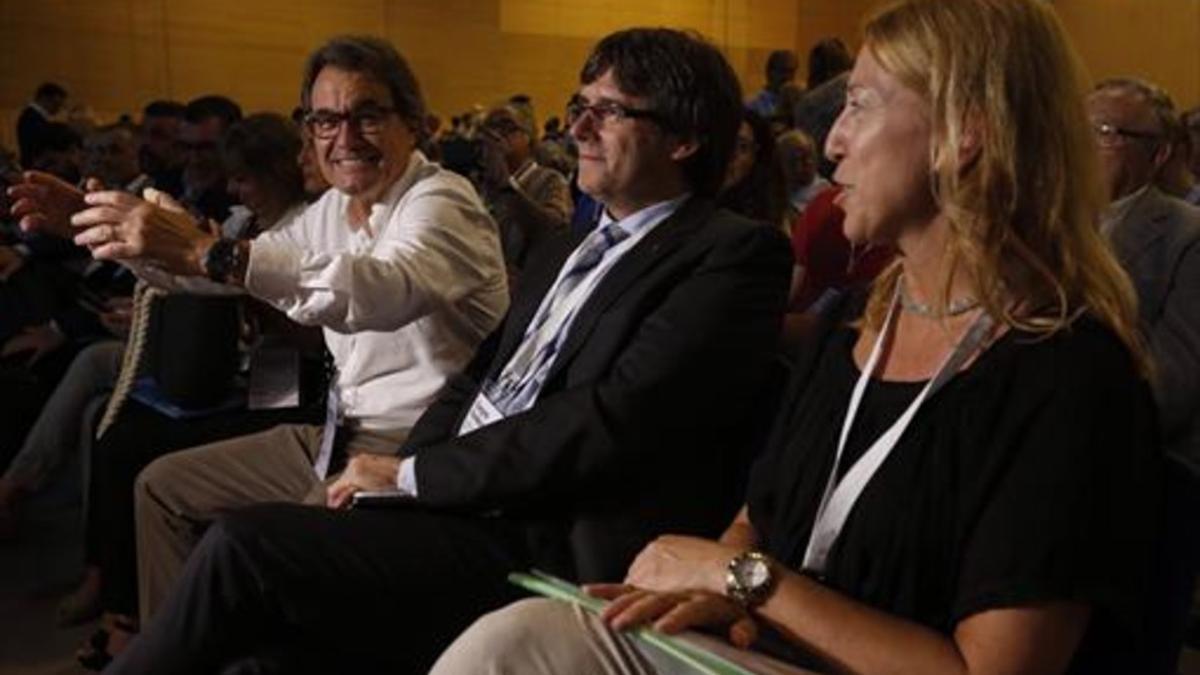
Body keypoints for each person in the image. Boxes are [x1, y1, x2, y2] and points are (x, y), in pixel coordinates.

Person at [431, 1, 1161, 674]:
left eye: (859, 105)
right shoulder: (856, 324)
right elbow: (762, 516)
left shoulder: (1066, 372)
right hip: (763, 649)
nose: (832, 142)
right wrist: (720, 586)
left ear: (963, 131)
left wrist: (745, 581)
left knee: (524, 648)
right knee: (525, 632)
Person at [102, 26, 791, 674]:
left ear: (685, 139)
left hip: (541, 536)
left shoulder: (732, 253)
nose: (577, 128)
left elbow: (609, 421)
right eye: (580, 106)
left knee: (244, 548)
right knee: (263, 633)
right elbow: (475, 379)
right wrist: (404, 471)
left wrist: (412, 478)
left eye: (609, 112)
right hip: (456, 487)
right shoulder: (568, 248)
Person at [1086, 77, 1200, 674]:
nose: (1084, 144)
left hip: (1147, 482)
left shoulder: (1185, 235)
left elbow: (1175, 383)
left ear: (1156, 154)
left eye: (1105, 133)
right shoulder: (1042, 221)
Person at [476, 103, 572, 279]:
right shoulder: (482, 185)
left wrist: (508, 188)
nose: (497, 135)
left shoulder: (550, 180)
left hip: (529, 283)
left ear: (528, 135)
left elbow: (556, 230)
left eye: (507, 127)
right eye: (490, 129)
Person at [17, 82, 68, 168]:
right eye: (56, 104)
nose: (58, 109)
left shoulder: (32, 116)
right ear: (44, 98)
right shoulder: (31, 118)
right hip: (35, 165)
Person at [746, 50, 798, 122]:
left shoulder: (799, 104)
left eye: (791, 71)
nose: (787, 76)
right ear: (769, 71)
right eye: (782, 70)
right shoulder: (751, 104)